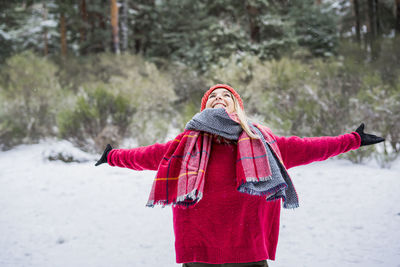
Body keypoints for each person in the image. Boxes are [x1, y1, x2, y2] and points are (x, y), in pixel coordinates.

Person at [95, 84, 384, 267]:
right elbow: (144, 156)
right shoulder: (184, 145)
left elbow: (310, 147)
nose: (219, 100)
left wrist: (353, 140)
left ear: (237, 107)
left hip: (248, 251)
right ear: (204, 109)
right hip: (199, 254)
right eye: (213, 98)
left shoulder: (265, 144)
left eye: (226, 97)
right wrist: (111, 156)